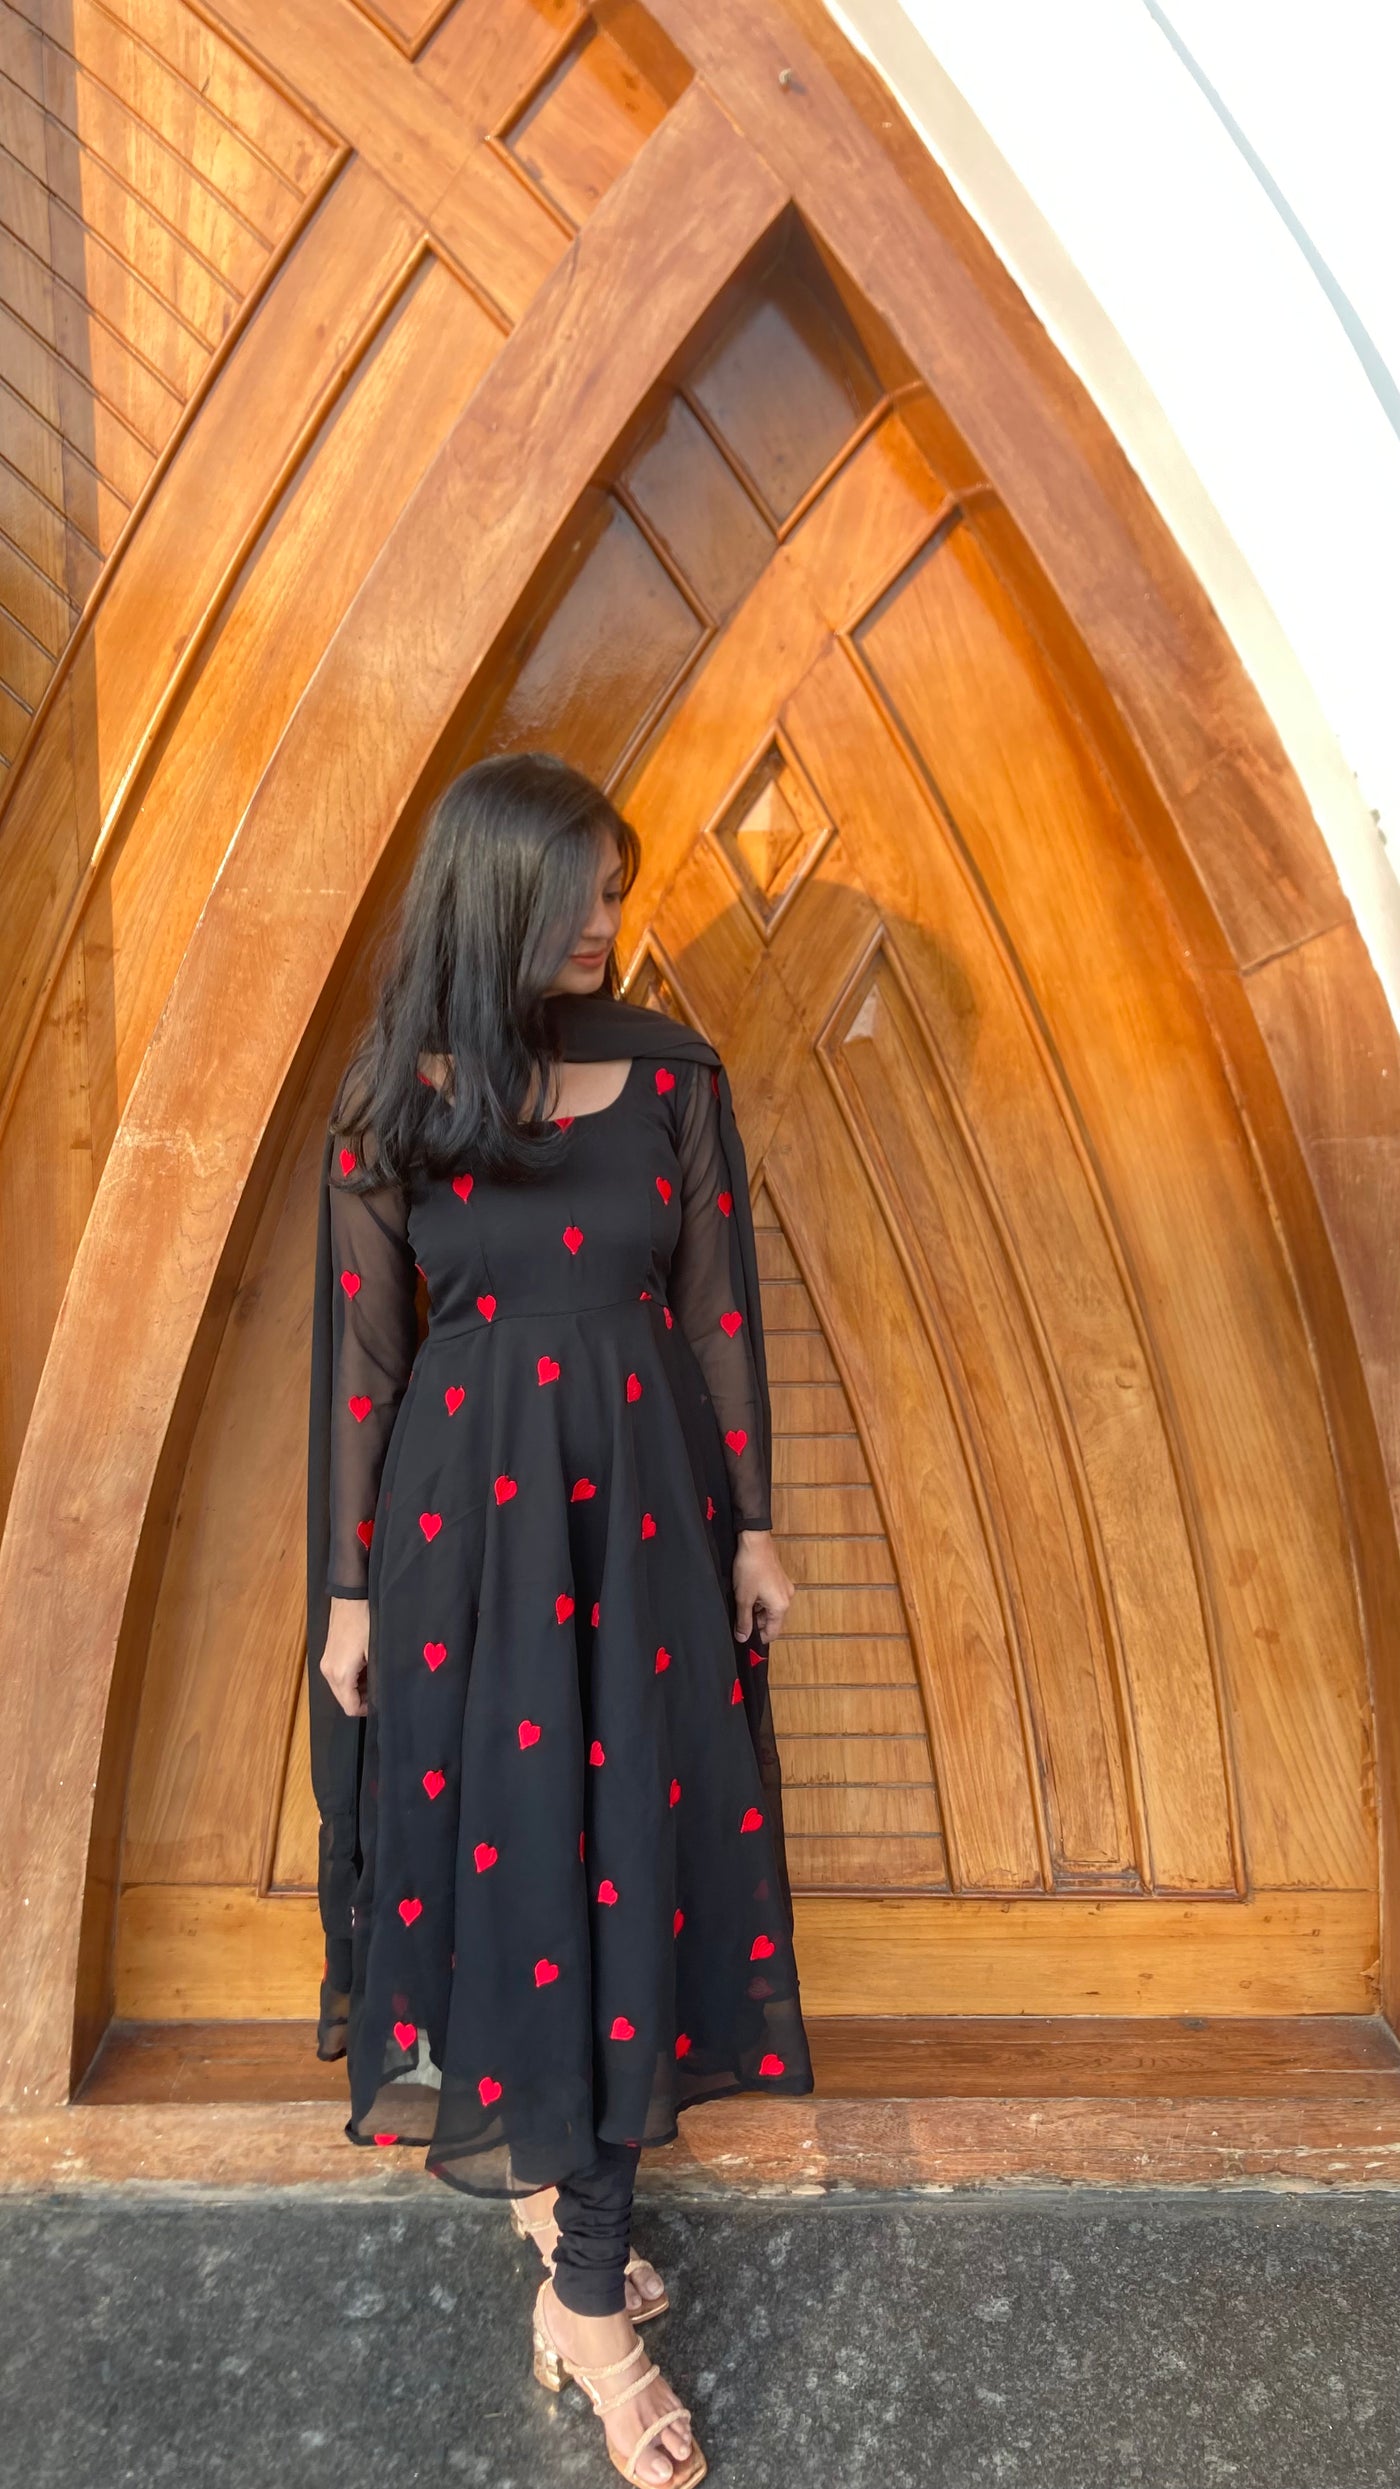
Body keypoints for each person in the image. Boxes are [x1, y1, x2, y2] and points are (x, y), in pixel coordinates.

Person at [307, 751, 814, 2485]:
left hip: (648, 1535)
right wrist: (349, 1597)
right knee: (519, 1866)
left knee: (631, 1865)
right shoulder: (398, 1102)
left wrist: (756, 1526)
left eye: (615, 887)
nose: (607, 918)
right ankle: (589, 2292)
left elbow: (719, 1309)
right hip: (464, 1552)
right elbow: (363, 1371)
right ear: (495, 889)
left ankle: (575, 2258)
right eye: (578, 889)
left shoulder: (674, 1076)